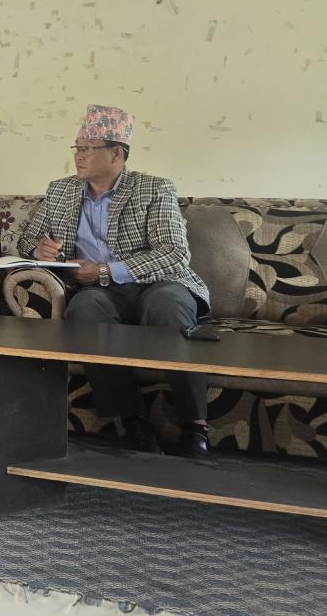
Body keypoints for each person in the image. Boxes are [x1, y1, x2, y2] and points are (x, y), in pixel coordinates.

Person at [17, 104, 211, 457]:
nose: (79, 156)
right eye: (77, 148)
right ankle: (132, 419)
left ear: (117, 154)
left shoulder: (153, 188)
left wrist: (106, 270)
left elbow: (174, 253)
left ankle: (194, 424)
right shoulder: (61, 191)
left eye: (88, 148)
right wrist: (39, 248)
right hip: (101, 293)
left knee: (167, 305)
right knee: (84, 307)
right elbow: (27, 239)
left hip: (159, 283)